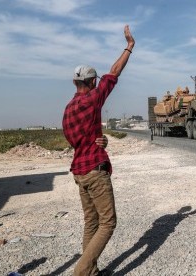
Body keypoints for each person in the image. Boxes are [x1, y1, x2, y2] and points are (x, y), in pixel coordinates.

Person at [62, 25, 135, 275]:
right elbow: (114, 72)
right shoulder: (93, 98)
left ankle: (90, 272)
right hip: (94, 171)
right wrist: (129, 47)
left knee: (91, 222)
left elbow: (75, 141)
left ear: (75, 82)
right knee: (108, 223)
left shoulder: (68, 108)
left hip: (79, 172)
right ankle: (81, 271)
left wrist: (99, 139)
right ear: (93, 82)